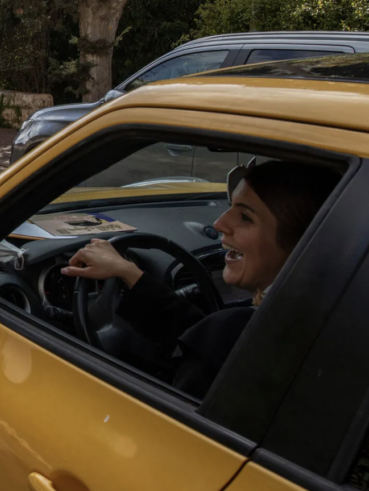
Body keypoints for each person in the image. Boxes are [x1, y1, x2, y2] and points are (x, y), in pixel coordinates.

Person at [61, 159, 339, 398]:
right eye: (231, 206)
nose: (220, 223)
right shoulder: (328, 316)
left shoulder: (235, 333)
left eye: (245, 217)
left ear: (303, 243)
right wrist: (128, 272)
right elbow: (204, 332)